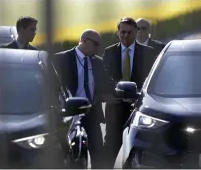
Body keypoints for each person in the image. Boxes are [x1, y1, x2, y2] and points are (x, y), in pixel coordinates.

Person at [51, 29, 116, 168]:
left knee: (98, 154)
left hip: (91, 112)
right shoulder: (61, 59)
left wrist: (120, 91)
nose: (99, 48)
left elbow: (107, 83)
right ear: (85, 41)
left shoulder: (97, 62)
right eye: (97, 44)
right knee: (72, 154)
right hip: (69, 114)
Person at [102, 17, 156, 168]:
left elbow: (150, 79)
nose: (125, 36)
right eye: (122, 32)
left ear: (136, 32)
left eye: (129, 32)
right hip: (115, 106)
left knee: (137, 143)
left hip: (138, 106)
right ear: (118, 32)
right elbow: (105, 77)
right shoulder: (110, 52)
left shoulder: (148, 53)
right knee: (111, 144)